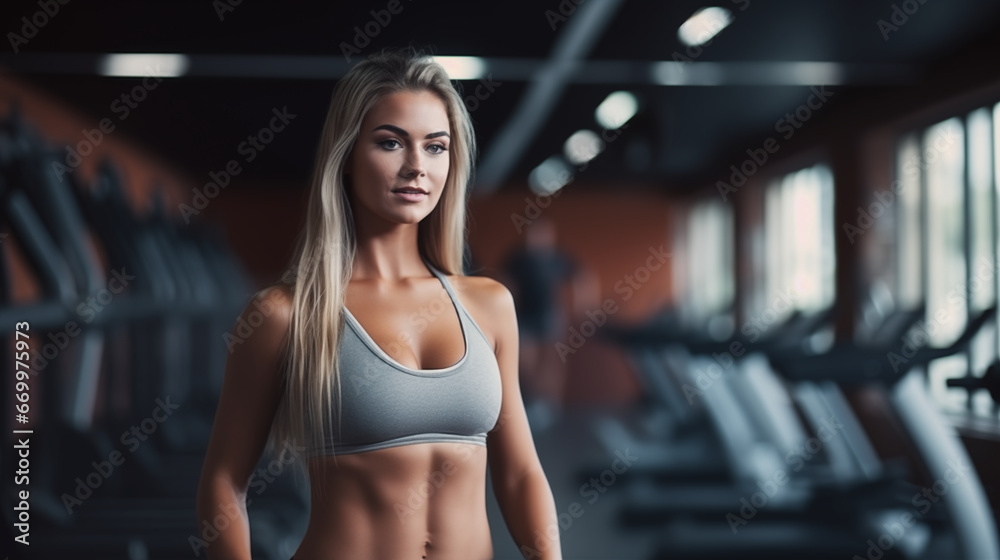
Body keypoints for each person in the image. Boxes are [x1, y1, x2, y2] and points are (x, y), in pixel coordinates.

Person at [196, 48, 562, 560]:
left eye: (436, 147)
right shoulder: (285, 316)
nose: (416, 166)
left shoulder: (490, 305)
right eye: (391, 143)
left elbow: (521, 472)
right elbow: (222, 483)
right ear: (345, 156)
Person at [499, 218, 599, 430]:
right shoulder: (518, 258)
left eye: (543, 233)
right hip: (525, 316)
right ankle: (538, 401)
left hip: (551, 318)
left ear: (550, 235)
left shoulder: (559, 258)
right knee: (524, 363)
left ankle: (550, 406)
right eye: (533, 234)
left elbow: (584, 278)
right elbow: (502, 282)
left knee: (553, 366)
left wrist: (585, 307)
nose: (537, 238)